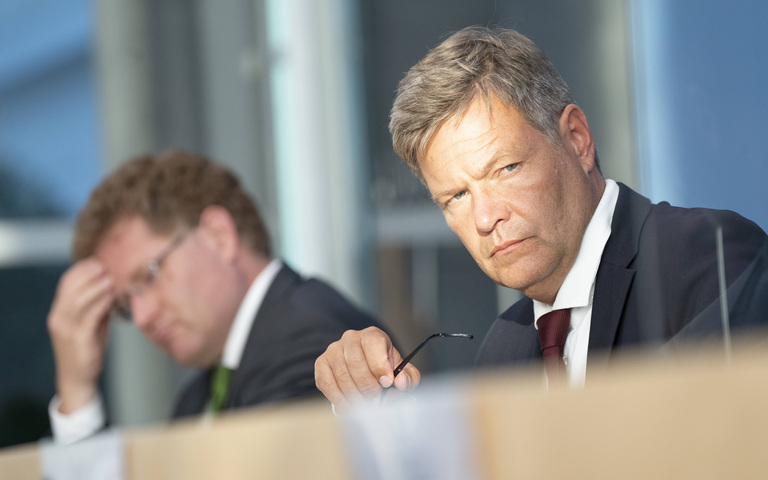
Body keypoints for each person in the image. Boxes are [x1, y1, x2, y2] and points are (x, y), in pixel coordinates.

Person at [314, 26, 768, 411]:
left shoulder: (706, 257)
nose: (486, 217)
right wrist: (370, 410)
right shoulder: (503, 349)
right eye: (456, 196)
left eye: (505, 169)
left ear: (577, 139)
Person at [47, 150, 381, 443]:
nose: (142, 316)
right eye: (123, 306)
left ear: (219, 236)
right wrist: (77, 392)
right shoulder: (196, 399)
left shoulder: (310, 346)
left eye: (149, 275)